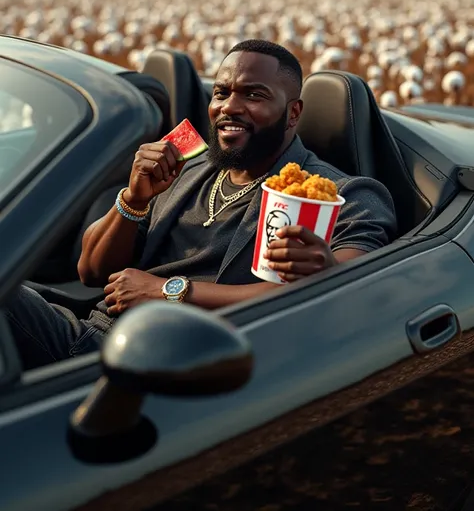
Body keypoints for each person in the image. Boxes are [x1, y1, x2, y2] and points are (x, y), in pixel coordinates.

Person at [5, 40, 397, 370]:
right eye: (222, 92)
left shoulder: (341, 194)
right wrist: (134, 199)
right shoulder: (191, 164)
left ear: (293, 112)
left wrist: (169, 291)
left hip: (163, 363)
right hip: (95, 332)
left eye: (254, 94)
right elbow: (91, 272)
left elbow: (350, 284)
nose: (229, 106)